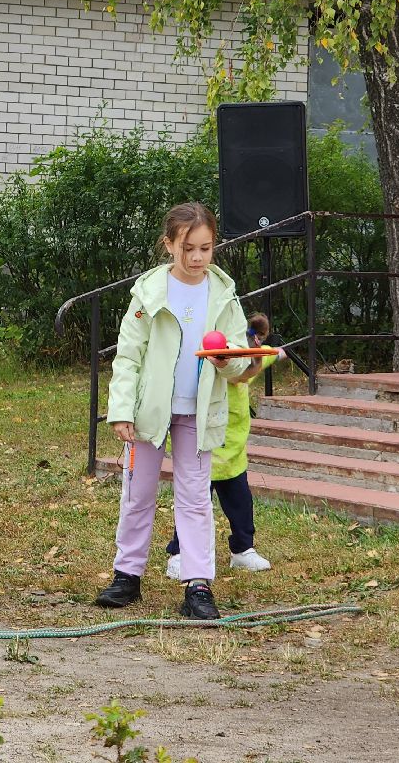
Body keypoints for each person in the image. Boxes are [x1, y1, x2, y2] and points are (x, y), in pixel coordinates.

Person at [94, 203, 251, 620]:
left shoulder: (223, 295)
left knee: (196, 498)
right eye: (189, 248)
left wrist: (227, 361)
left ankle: (198, 585)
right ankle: (127, 575)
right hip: (149, 414)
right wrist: (121, 409)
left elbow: (237, 353)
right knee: (138, 493)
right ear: (169, 245)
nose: (198, 258)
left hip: (199, 415)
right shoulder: (148, 294)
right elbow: (128, 356)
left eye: (206, 248)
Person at [166, 312, 284, 577]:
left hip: (233, 453)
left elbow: (263, 355)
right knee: (193, 506)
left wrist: (275, 352)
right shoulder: (209, 369)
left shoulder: (247, 361)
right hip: (202, 447)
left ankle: (243, 550)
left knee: (241, 503)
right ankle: (180, 552)